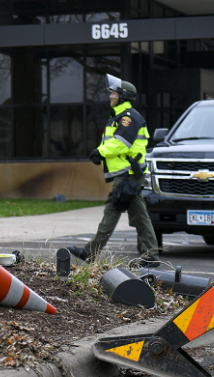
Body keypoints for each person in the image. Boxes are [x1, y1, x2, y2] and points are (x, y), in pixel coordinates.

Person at [68, 74, 159, 267]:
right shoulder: (121, 116)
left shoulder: (128, 118)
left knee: (112, 210)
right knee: (140, 215)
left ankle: (89, 252)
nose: (111, 96)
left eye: (114, 93)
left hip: (127, 174)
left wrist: (99, 152)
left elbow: (120, 144)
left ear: (123, 96)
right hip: (128, 174)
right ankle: (151, 256)